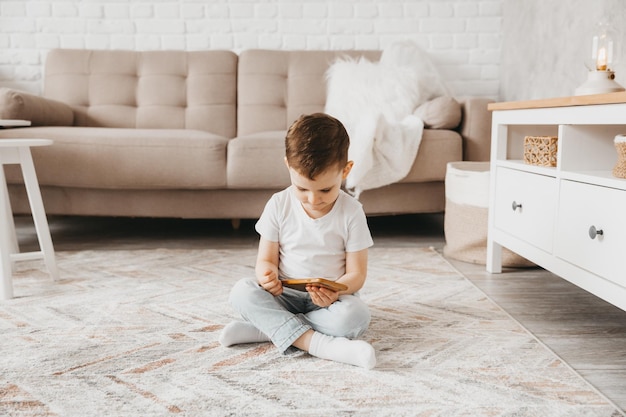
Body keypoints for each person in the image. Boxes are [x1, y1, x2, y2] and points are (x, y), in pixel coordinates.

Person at [219, 112, 376, 369]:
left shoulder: (352, 212)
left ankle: (265, 329)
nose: (313, 200)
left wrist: (337, 290)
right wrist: (266, 275)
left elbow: (357, 275)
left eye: (325, 189)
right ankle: (320, 345)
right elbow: (265, 260)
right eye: (302, 189)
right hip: (284, 295)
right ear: (288, 167)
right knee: (242, 292)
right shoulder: (279, 204)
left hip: (330, 302)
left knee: (356, 316)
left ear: (346, 170)